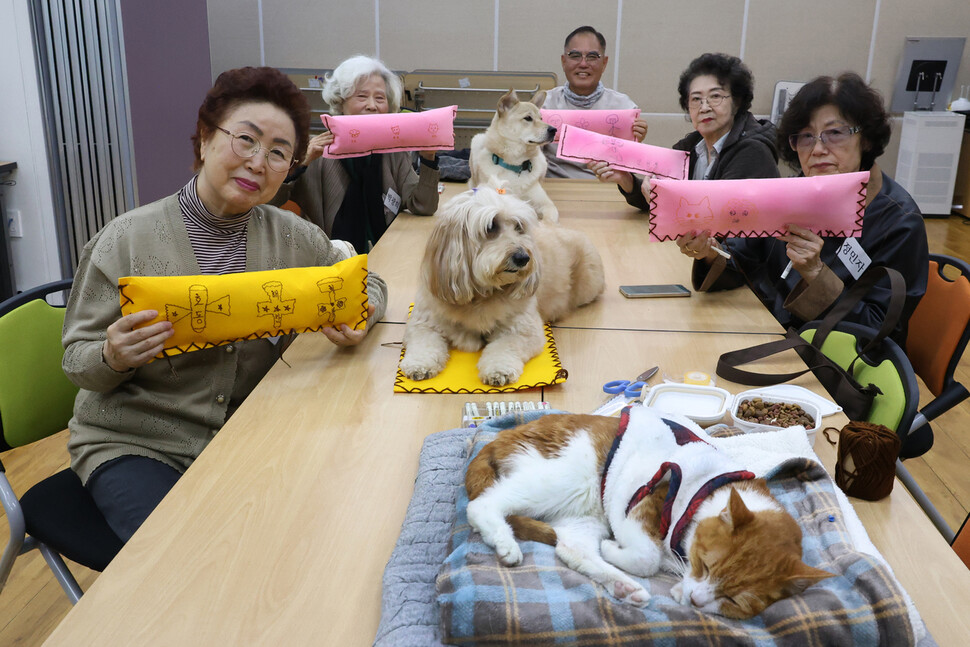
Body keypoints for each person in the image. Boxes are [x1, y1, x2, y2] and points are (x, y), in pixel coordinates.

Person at [62, 66, 388, 543]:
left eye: (279, 153)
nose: (259, 162)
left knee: (328, 525)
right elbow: (76, 360)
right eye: (246, 140)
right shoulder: (124, 240)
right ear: (203, 141)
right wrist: (111, 357)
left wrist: (361, 314)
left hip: (249, 435)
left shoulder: (292, 237)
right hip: (138, 444)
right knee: (183, 557)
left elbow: (369, 280)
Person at [678, 72, 928, 344]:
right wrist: (708, 251)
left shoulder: (899, 222)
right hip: (765, 335)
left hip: (833, 366)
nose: (818, 149)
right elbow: (743, 260)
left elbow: (880, 330)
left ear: (865, 139)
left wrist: (816, 275)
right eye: (806, 137)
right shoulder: (794, 191)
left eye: (835, 133)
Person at [273, 55, 440, 252]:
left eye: (380, 98)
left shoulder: (393, 151)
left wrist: (428, 159)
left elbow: (423, 206)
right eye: (361, 96)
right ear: (340, 103)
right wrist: (299, 165)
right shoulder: (315, 150)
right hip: (328, 261)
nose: (372, 105)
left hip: (387, 253)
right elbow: (268, 203)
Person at [591, 52, 779, 204]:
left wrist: (665, 194)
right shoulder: (694, 144)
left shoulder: (753, 151)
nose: (704, 107)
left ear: (737, 102)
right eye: (696, 99)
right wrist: (626, 179)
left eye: (715, 96)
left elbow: (714, 214)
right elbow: (656, 201)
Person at [542, 25, 648, 178]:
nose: (583, 64)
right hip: (554, 188)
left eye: (592, 57)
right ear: (563, 61)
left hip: (607, 190)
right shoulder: (545, 104)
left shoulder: (624, 107)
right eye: (575, 55)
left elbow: (634, 167)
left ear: (604, 63)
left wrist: (636, 141)